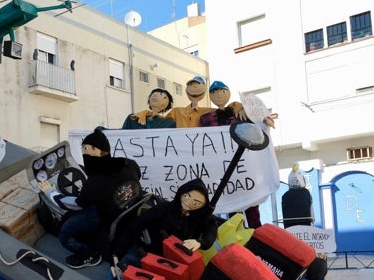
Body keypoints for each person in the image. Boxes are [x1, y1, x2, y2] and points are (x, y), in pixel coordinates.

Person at [38, 128, 142, 269]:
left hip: (104, 217)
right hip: (127, 213)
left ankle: (89, 255)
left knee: (65, 232)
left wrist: (51, 192)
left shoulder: (95, 182)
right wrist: (95, 192)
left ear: (96, 150)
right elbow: (134, 178)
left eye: (85, 149)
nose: (83, 153)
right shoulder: (128, 163)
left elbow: (74, 204)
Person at [198, 80, 263, 228]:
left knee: (253, 210)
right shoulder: (206, 118)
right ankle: (239, 243)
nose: (219, 95)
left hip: (244, 166)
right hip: (224, 169)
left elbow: (256, 126)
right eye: (214, 93)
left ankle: (258, 241)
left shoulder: (239, 114)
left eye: (222, 91)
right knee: (234, 214)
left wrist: (247, 111)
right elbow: (201, 138)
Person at [112, 178, 219, 268]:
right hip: (146, 251)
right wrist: (117, 252)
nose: (189, 203)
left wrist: (200, 242)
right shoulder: (165, 208)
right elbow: (136, 225)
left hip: (174, 260)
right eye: (186, 196)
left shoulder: (203, 218)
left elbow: (211, 233)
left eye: (196, 203)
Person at [281, 163, 314, 228]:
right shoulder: (305, 193)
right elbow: (311, 207)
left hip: (290, 227)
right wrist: (312, 218)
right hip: (305, 225)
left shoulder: (285, 195)